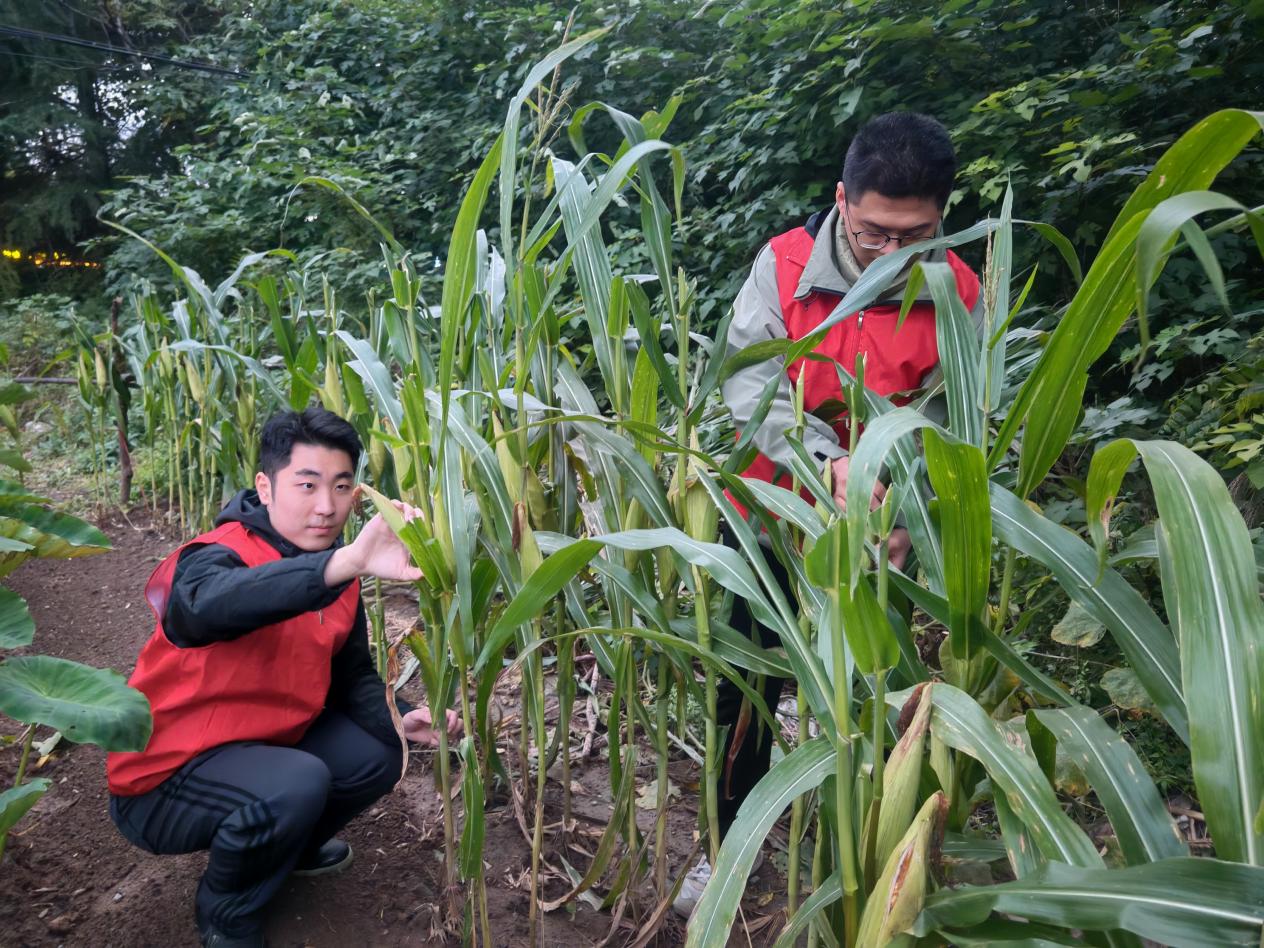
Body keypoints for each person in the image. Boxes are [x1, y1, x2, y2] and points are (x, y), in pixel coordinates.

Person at [673, 112, 982, 916]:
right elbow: (751, 384)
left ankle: (857, 860)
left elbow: (957, 415)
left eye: (912, 236)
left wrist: (906, 500)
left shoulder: (958, 290)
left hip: (886, 535)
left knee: (872, 695)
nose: (889, 252)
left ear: (942, 215)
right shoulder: (783, 267)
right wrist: (831, 463)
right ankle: (726, 850)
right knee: (745, 689)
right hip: (773, 516)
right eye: (874, 232)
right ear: (843, 200)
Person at [107, 407, 460, 948]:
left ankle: (286, 851)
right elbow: (202, 607)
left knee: (380, 751)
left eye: (341, 486)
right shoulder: (214, 556)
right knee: (296, 783)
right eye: (307, 485)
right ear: (265, 487)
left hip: (262, 750)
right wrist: (342, 564)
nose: (327, 507)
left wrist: (401, 717)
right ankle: (225, 917)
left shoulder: (335, 571)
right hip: (164, 781)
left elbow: (352, 677)